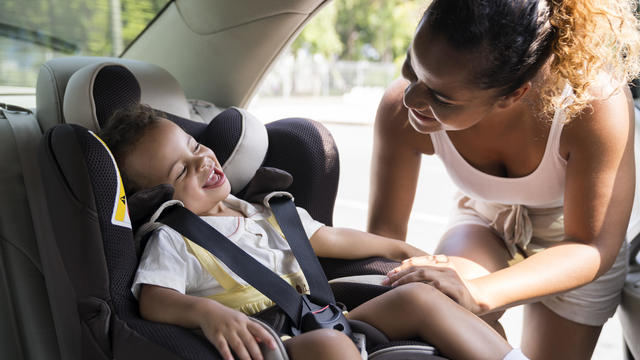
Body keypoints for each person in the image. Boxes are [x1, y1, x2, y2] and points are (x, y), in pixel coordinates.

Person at [98, 104, 528, 360]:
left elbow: (333, 240)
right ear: (157, 195)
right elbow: (154, 298)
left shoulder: (263, 210)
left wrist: (403, 247)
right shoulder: (173, 238)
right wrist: (208, 314)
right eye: (181, 170)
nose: (202, 163)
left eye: (195, 148)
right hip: (272, 343)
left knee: (419, 298)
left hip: (326, 318)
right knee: (333, 350)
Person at [368, 0, 640, 359]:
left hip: (575, 244)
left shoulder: (593, 104)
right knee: (446, 299)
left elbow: (591, 246)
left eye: (441, 96)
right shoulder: (399, 109)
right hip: (488, 219)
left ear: (514, 94)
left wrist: (481, 292)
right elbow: (382, 241)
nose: (411, 96)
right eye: (411, 66)